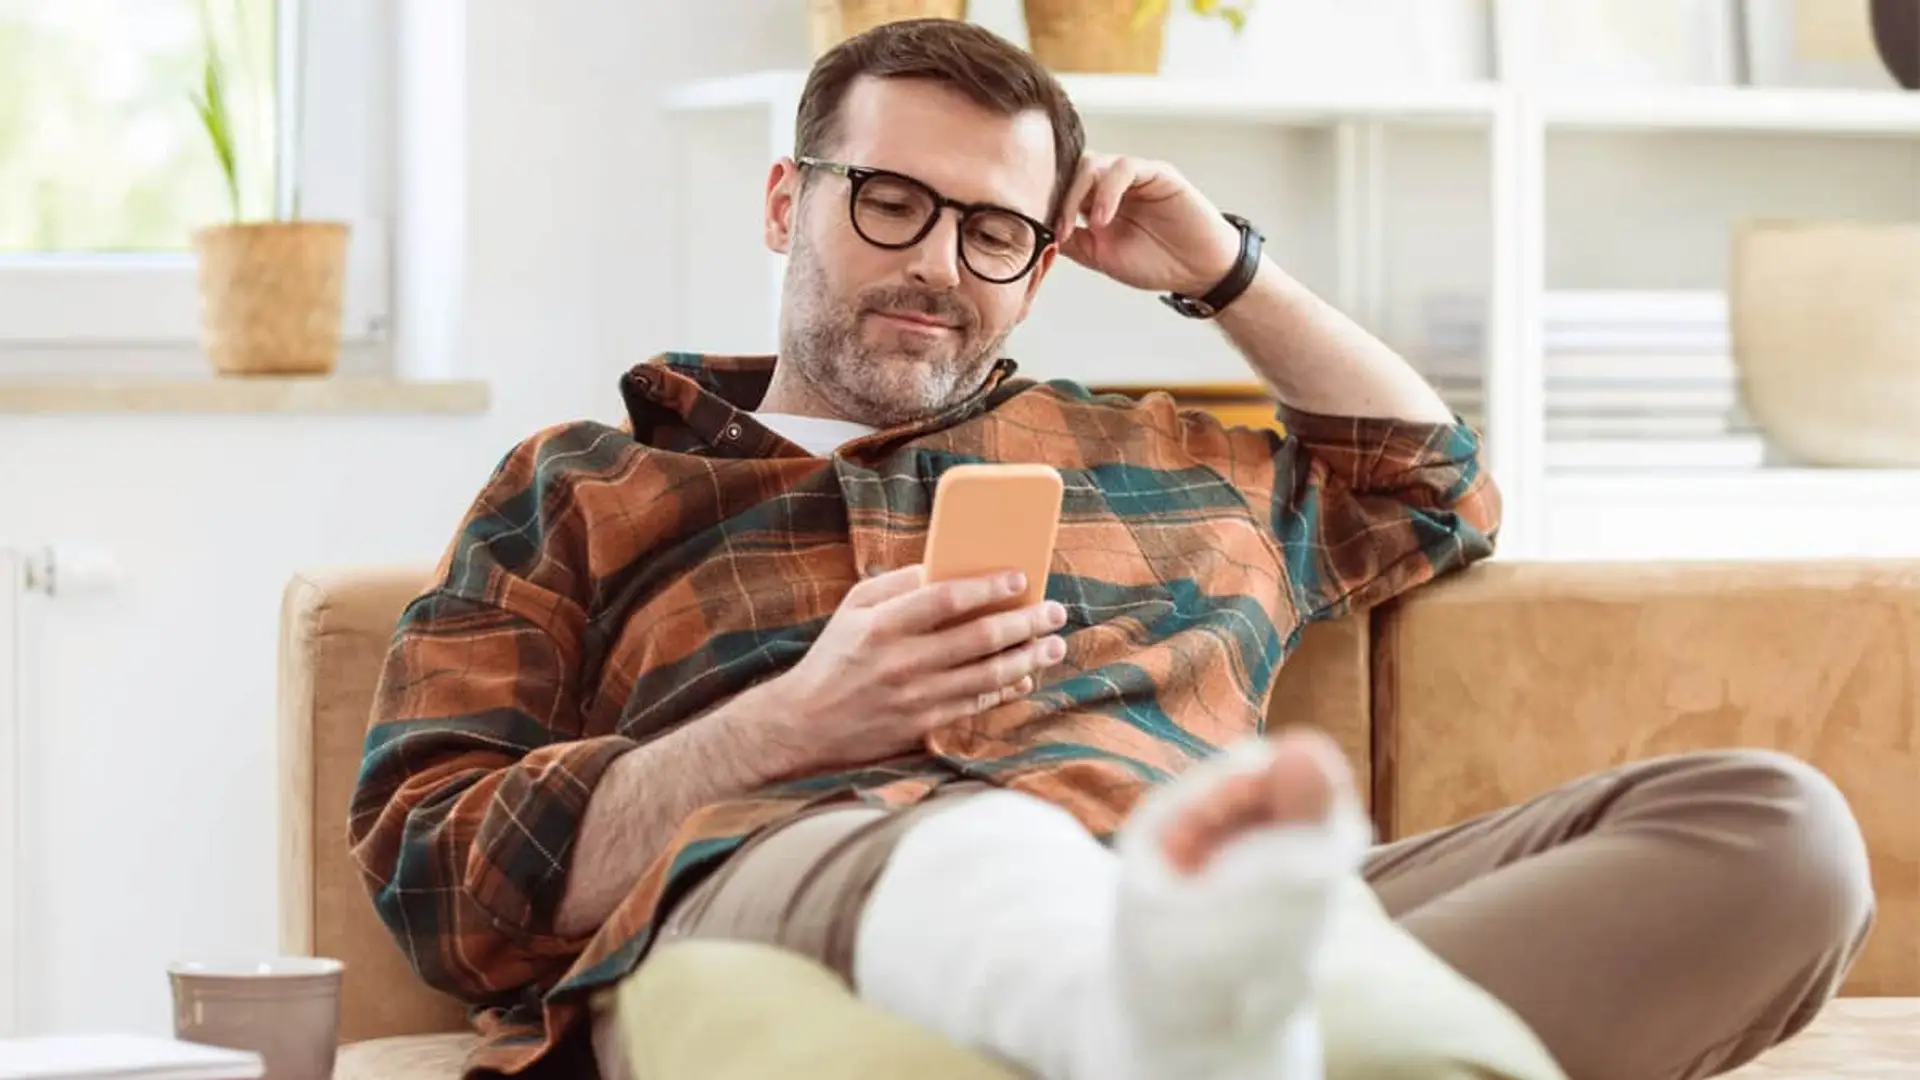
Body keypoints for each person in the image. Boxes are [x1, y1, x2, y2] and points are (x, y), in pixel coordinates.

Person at [348, 18, 1874, 1080]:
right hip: (804, 895)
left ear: (1037, 265)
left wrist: (1224, 272)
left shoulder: (1168, 459)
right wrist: (789, 724)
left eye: (992, 230)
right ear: (783, 204)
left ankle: (1186, 1022)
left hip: (1185, 894)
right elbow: (437, 877)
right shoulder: (584, 485)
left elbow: (1436, 489)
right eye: (890, 204)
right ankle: (1191, 1026)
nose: (938, 264)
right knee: (972, 845)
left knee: (1775, 832)